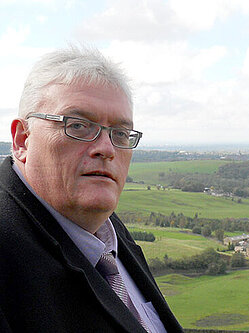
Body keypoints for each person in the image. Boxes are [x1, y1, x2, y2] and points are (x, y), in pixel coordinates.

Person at [0, 46, 183, 332]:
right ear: (23, 139)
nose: (107, 149)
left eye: (120, 133)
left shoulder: (105, 230)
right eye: (79, 126)